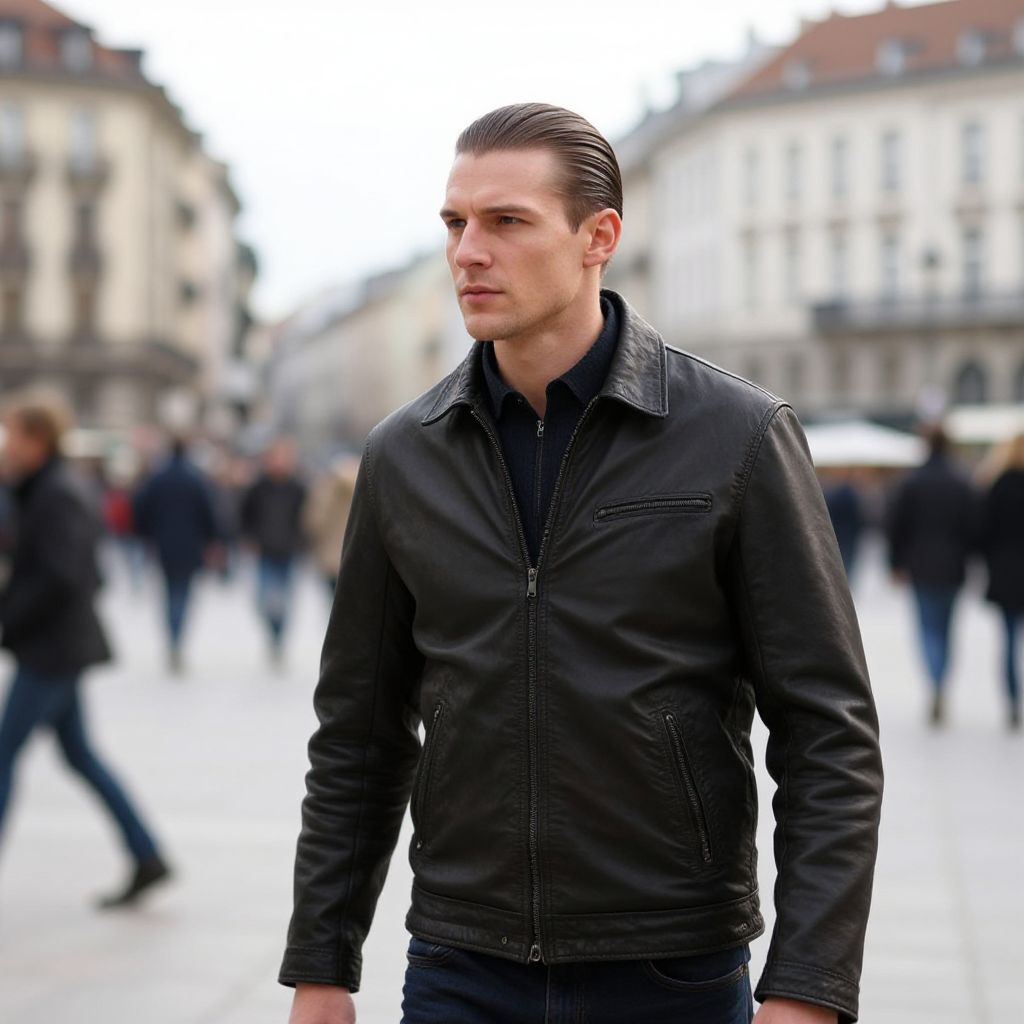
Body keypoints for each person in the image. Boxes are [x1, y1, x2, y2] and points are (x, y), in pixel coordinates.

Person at [279, 104, 883, 1024]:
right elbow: (357, 734)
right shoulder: (404, 454)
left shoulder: (737, 436)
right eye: (455, 223)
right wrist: (321, 965)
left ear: (598, 237)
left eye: (506, 221)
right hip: (459, 963)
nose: (468, 252)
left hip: (670, 966)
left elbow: (828, 731)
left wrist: (808, 986)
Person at [0, 388, 171, 907]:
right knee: (80, 754)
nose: (6, 444)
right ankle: (146, 855)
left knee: (4, 753)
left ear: (37, 439)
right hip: (56, 646)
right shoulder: (44, 487)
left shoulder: (56, 493)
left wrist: (10, 616)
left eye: (12, 434)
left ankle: (147, 854)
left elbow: (66, 575)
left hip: (52, 649)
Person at [886, 425, 979, 726]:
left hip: (921, 565)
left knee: (927, 628)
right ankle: (941, 681)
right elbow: (974, 526)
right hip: (953, 566)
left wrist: (895, 564)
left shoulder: (912, 482)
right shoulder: (961, 481)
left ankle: (934, 680)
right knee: (947, 629)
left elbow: (896, 526)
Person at [134, 437, 220, 674]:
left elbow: (142, 508)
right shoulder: (195, 479)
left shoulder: (158, 478)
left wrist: (146, 534)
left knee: (169, 593)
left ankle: (172, 637)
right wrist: (212, 539)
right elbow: (208, 512)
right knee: (182, 593)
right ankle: (177, 637)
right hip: (191, 546)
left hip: (164, 545)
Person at [241, 439, 307, 664]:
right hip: (265, 550)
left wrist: (302, 541)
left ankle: (279, 640)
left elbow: (307, 518)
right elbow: (245, 515)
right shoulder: (258, 487)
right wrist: (249, 538)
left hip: (288, 550)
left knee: (285, 601)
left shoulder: (298, 488)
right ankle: (272, 633)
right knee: (264, 599)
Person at [980, 432, 1024, 730]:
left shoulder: (999, 485)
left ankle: (1012, 701)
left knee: (1009, 640)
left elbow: (984, 531)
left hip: (1007, 573)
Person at [302, 454, 359, 597]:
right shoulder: (360, 490)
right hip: (350, 556)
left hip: (331, 557)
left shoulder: (323, 491)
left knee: (336, 597)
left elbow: (313, 522)